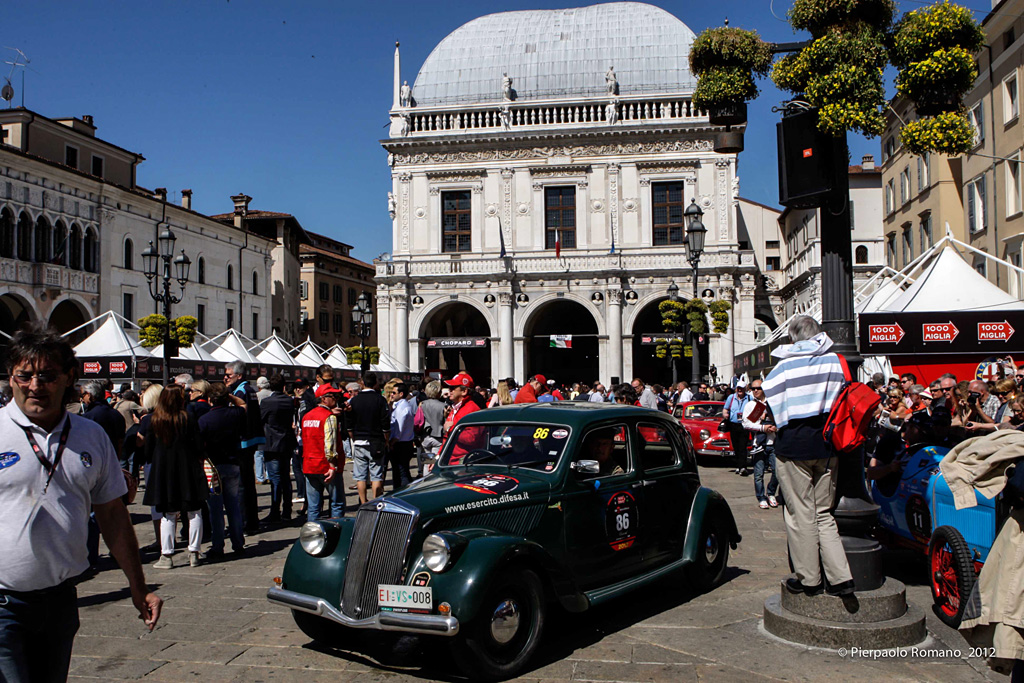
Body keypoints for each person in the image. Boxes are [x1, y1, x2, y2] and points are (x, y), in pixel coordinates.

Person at [0, 327, 161, 681]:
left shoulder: (91, 435)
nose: (35, 386)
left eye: (47, 376)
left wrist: (138, 586)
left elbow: (114, 516)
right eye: (24, 376)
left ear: (69, 377)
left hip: (60, 602)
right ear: (11, 378)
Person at [762, 315, 855, 597]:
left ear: (793, 337)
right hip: (827, 446)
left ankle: (809, 580)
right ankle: (841, 578)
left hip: (793, 448)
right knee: (823, 513)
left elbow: (774, 408)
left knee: (800, 514)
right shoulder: (835, 361)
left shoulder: (783, 367)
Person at [143, 384, 208, 569]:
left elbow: (148, 450)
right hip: (188, 469)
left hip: (164, 471)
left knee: (167, 513)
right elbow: (198, 446)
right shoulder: (187, 418)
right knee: (194, 510)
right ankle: (194, 552)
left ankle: (167, 554)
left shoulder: (155, 419)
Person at [198, 382, 247, 558]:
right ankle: (238, 542)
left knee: (216, 509)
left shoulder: (204, 420)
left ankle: (218, 545)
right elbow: (242, 404)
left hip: (213, 466)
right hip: (233, 463)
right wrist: (229, 396)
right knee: (233, 505)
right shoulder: (235, 413)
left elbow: (198, 444)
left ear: (210, 399)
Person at [224, 360, 265, 534]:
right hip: (252, 439)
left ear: (239, 375)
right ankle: (252, 521)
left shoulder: (240, 391)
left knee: (241, 485)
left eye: (228, 375)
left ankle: (243, 521)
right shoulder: (251, 390)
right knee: (248, 484)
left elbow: (238, 417)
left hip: (242, 441)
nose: (225, 378)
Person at [302, 384, 346, 521]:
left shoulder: (306, 416)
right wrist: (333, 466)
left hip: (309, 464)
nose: (337, 399)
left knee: (314, 506)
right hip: (326, 466)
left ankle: (313, 536)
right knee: (337, 503)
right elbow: (330, 444)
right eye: (334, 396)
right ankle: (336, 534)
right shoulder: (329, 417)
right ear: (324, 399)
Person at [348, 372, 390, 504]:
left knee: (360, 476)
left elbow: (349, 423)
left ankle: (363, 501)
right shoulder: (380, 400)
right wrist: (386, 439)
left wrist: (353, 437)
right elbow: (385, 423)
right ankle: (376, 501)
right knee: (376, 474)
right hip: (376, 440)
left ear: (362, 383)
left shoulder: (354, 400)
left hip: (359, 439)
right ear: (375, 383)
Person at [260, 374, 296, 523]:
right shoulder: (289, 401)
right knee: (285, 477)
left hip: (272, 443)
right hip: (286, 442)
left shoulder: (267, 402)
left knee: (275, 479)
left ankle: (275, 510)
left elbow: (261, 419)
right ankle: (286, 511)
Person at [743, 379, 779, 509]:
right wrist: (763, 427)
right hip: (759, 444)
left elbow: (781, 420)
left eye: (758, 388)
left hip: (773, 443)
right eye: (753, 389)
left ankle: (771, 493)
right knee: (758, 473)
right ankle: (761, 497)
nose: (755, 391)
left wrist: (775, 427)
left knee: (777, 472)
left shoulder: (772, 403)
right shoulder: (751, 405)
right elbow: (746, 423)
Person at [442, 371, 482, 461]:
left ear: (464, 391)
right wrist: (438, 456)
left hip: (463, 462)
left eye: (453, 388)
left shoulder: (472, 409)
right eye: (449, 388)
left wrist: (451, 429)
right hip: (450, 460)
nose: (449, 390)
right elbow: (446, 438)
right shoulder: (455, 408)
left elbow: (472, 438)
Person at [80, 380, 125, 456]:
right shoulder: (116, 414)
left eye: (82, 395)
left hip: (94, 459)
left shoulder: (88, 417)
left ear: (89, 395)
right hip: (113, 458)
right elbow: (120, 442)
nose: (82, 399)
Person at [388, 382, 416, 491]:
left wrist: (392, 442)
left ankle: (403, 492)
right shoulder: (400, 406)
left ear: (401, 394)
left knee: (401, 471)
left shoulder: (402, 408)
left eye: (394, 393)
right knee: (400, 471)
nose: (391, 395)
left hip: (401, 444)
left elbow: (398, 429)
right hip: (404, 442)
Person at [416, 380, 447, 476]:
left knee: (427, 463)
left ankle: (426, 479)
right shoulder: (443, 406)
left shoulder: (422, 404)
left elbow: (418, 420)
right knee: (435, 463)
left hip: (425, 436)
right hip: (438, 436)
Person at [721, 384, 751, 475]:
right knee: (736, 446)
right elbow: (725, 409)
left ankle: (743, 467)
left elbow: (755, 408)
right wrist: (725, 414)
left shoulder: (749, 398)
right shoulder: (731, 397)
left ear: (745, 389)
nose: (740, 390)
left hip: (744, 424)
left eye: (741, 388)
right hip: (733, 424)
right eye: (738, 388)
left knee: (743, 446)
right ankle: (738, 465)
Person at [253, 376, 272, 485]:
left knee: (259, 454)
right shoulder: (271, 394)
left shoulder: (257, 396)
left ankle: (260, 477)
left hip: (260, 427)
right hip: (271, 427)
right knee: (269, 452)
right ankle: (269, 475)